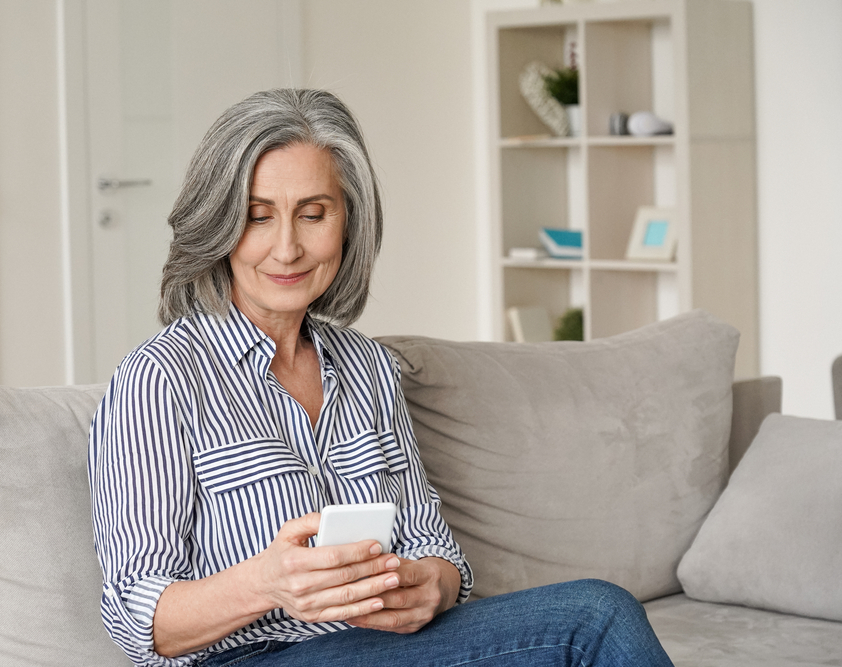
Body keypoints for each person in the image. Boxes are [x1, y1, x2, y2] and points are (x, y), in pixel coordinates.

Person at [88, 88, 674, 667]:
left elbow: (432, 546)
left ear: (349, 223)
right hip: (253, 657)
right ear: (217, 226)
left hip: (386, 646)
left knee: (601, 609)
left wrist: (431, 587)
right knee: (595, 618)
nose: (287, 248)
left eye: (313, 214)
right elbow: (137, 617)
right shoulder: (159, 379)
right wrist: (265, 584)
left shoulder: (368, 368)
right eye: (258, 217)